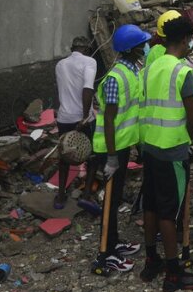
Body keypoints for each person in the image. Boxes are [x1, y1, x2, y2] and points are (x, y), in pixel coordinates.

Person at [138, 17, 193, 292]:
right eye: (190, 39)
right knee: (169, 211)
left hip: (149, 147)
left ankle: (151, 259)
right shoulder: (182, 72)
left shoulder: (150, 68)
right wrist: (188, 140)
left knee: (151, 205)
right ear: (185, 39)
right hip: (172, 150)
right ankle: (173, 271)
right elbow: (192, 119)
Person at [90, 24, 151, 275]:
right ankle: (105, 254)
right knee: (110, 201)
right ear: (131, 48)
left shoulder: (133, 71)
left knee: (115, 200)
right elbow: (111, 122)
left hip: (123, 145)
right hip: (111, 149)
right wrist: (112, 157)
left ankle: (113, 241)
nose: (145, 47)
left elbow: (132, 114)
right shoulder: (116, 78)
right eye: (141, 44)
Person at [54, 35, 97, 211]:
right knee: (92, 156)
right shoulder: (90, 62)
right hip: (83, 117)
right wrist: (85, 116)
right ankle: (86, 194)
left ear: (72, 49)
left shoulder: (60, 65)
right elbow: (88, 88)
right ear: (86, 49)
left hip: (64, 117)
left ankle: (61, 195)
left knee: (64, 156)